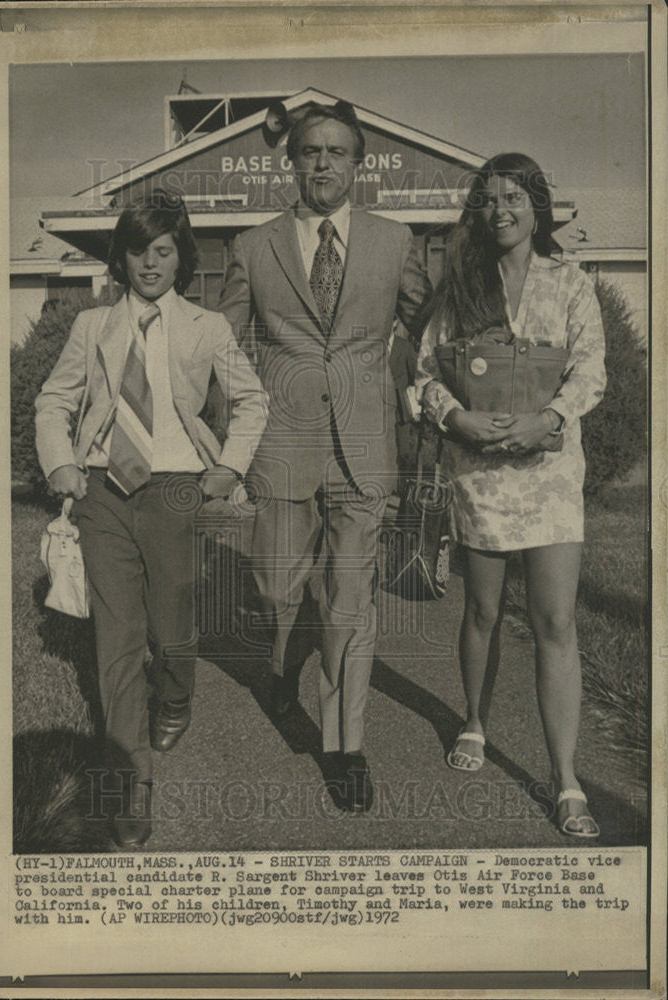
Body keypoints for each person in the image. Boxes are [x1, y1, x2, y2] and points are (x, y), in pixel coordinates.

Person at [35, 192, 268, 847]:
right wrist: (61, 465)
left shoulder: (207, 328)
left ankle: (175, 693)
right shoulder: (92, 327)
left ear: (182, 257)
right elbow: (53, 404)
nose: (149, 263)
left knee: (172, 626)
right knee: (116, 642)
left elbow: (251, 401)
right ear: (122, 255)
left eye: (163, 250)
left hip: (175, 491)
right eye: (138, 250)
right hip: (106, 491)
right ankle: (130, 791)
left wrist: (229, 467)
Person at [218, 101, 431, 813]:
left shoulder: (397, 242)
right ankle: (283, 662)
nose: (323, 164)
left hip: (363, 447)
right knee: (278, 592)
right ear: (293, 160)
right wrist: (222, 445)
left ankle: (345, 747)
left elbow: (432, 332)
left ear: (357, 162)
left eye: (338, 152)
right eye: (311, 151)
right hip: (281, 445)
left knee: (350, 605)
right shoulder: (253, 246)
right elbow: (221, 350)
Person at [415, 152, 606, 838]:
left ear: (537, 206)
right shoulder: (461, 285)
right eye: (490, 199)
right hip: (481, 474)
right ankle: (474, 720)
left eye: (515, 197)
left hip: (550, 474)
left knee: (555, 623)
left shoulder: (569, 280)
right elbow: (421, 375)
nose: (502, 209)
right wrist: (454, 416)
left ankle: (565, 778)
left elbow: (591, 371)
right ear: (479, 211)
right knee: (483, 611)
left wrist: (547, 419)